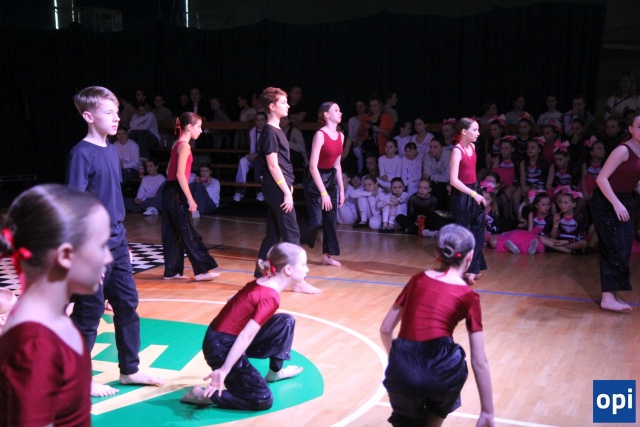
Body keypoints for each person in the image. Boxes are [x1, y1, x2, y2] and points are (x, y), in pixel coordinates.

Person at [66, 86, 164, 397]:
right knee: (89, 314)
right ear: (88, 116)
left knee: (127, 304)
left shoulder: (110, 150)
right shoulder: (81, 154)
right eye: (108, 112)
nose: (116, 117)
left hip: (117, 243)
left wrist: (124, 245)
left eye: (117, 112)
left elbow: (110, 202)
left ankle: (130, 370)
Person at [0, 184, 113, 426]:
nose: (109, 257)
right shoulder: (34, 346)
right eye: (101, 246)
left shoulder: (51, 321)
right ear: (65, 256)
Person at [380, 224, 494, 427]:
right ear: (470, 257)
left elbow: (386, 329)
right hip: (441, 369)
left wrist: (398, 359)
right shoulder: (469, 296)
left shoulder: (417, 280)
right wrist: (487, 411)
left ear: (436, 253)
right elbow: (479, 361)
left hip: (403, 365)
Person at [180, 242, 305, 409]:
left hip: (222, 338)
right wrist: (224, 370)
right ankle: (202, 396)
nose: (307, 269)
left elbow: (231, 299)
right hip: (221, 348)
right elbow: (246, 336)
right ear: (288, 270)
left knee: (285, 321)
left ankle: (275, 373)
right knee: (262, 398)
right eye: (303, 265)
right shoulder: (271, 297)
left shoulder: (263, 280)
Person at [254, 87, 321, 294]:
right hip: (276, 187)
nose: (288, 105)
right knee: (292, 232)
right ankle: (298, 281)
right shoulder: (269, 131)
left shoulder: (277, 130)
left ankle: (261, 275)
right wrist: (286, 191)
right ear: (272, 106)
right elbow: (273, 166)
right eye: (283, 102)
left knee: (273, 233)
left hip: (279, 185)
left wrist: (287, 185)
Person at [590, 112, 640, 312]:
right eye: (639, 126)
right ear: (631, 129)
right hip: (607, 201)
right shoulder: (622, 150)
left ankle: (612, 294)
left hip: (625, 200)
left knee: (624, 248)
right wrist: (617, 204)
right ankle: (607, 298)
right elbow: (601, 179)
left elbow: (634, 181)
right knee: (613, 247)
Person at [161, 112, 220, 281]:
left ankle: (172, 271)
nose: (201, 131)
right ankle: (201, 270)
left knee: (173, 230)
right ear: (189, 127)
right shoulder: (185, 146)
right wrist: (190, 198)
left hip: (169, 189)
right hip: (177, 190)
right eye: (199, 127)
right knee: (187, 230)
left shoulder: (176, 143)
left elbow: (168, 170)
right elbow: (180, 174)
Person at [300, 102, 345, 267]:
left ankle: (327, 255)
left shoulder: (341, 136)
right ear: (326, 114)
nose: (340, 113)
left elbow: (337, 165)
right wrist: (323, 193)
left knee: (330, 219)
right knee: (316, 221)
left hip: (330, 178)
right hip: (315, 178)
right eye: (336, 110)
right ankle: (292, 243)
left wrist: (342, 190)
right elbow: (312, 166)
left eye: (339, 110)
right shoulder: (320, 135)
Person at [449, 118, 488, 285]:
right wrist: (473, 194)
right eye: (475, 130)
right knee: (465, 233)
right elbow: (453, 180)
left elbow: (472, 174)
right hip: (462, 196)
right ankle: (468, 268)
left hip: (474, 190)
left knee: (479, 230)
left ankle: (474, 267)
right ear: (464, 132)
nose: (478, 133)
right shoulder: (456, 151)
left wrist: (477, 192)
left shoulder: (472, 147)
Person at [233, 111, 267, 202]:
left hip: (265, 157)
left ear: (266, 121)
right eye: (258, 120)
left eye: (262, 120)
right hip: (255, 155)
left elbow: (268, 149)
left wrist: (257, 155)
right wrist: (252, 154)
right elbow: (252, 147)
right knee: (243, 161)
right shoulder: (253, 131)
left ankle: (259, 191)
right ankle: (239, 190)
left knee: (259, 161)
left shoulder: (269, 131)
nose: (260, 122)